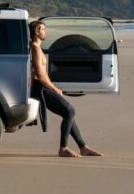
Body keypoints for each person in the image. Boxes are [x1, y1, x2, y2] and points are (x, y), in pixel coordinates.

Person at [29, 20, 103, 158]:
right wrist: (55, 89)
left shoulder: (36, 48)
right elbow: (40, 74)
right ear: (37, 32)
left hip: (43, 86)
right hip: (40, 88)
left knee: (68, 113)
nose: (46, 32)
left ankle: (83, 147)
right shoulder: (34, 48)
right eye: (43, 29)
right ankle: (63, 148)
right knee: (70, 110)